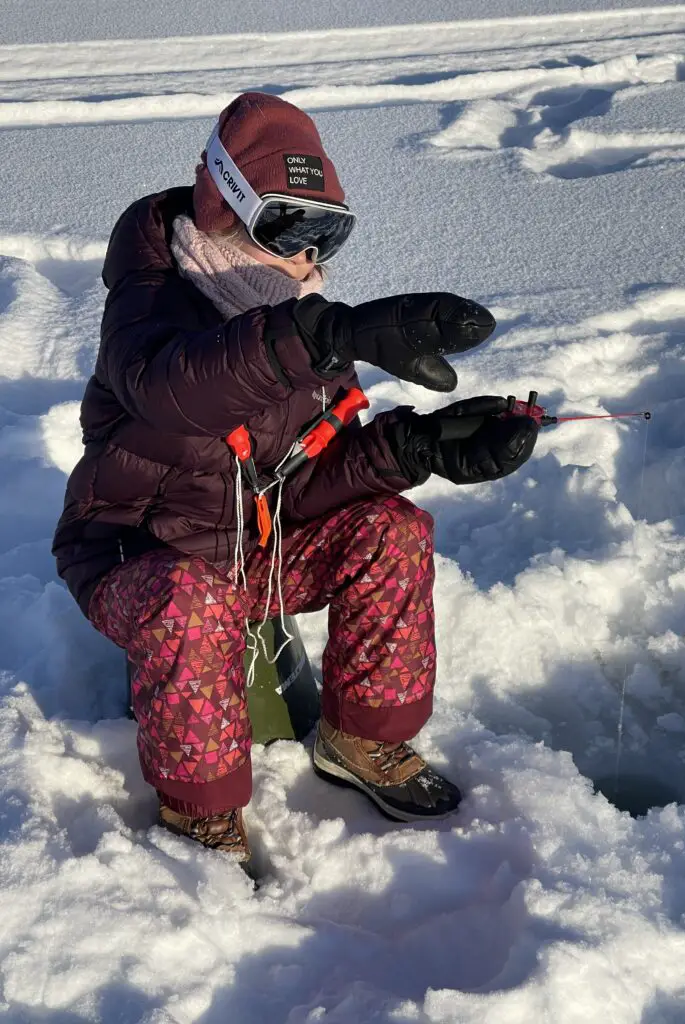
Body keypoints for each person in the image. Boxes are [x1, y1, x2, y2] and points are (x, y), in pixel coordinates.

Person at [53, 92, 538, 868]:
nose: (310, 257)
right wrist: (322, 337)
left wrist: (416, 447)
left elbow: (308, 483)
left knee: (392, 531)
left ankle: (360, 743)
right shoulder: (148, 307)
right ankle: (198, 813)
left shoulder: (304, 322)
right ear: (222, 205)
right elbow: (173, 388)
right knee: (190, 600)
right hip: (140, 563)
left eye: (327, 232)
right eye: (290, 226)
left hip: (260, 553)